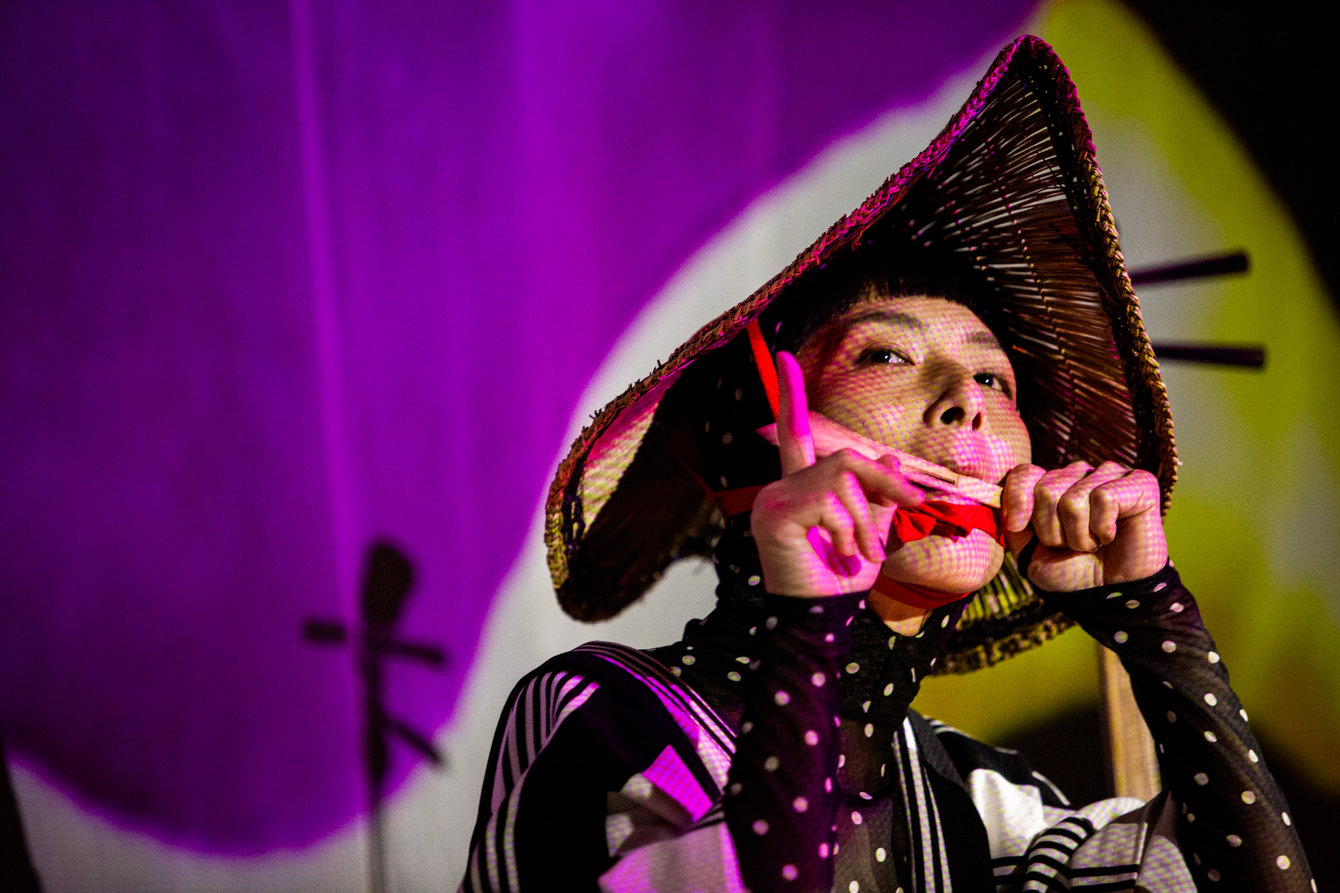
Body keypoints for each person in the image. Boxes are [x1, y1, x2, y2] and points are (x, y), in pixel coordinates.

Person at [460, 36, 1313, 892]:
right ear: (743, 448)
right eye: (885, 359)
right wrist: (808, 621)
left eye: (993, 376)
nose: (967, 401)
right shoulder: (606, 716)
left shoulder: (982, 800)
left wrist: (1156, 624)